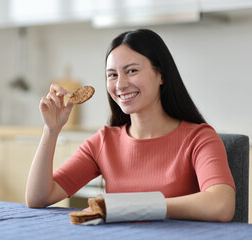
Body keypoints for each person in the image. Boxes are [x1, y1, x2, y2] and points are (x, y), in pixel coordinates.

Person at [25, 29, 236, 222]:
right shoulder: (103, 142)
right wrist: (51, 131)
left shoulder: (199, 138)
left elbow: (221, 205)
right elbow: (38, 197)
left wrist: (134, 206)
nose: (120, 84)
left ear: (161, 74)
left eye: (132, 71)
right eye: (112, 75)